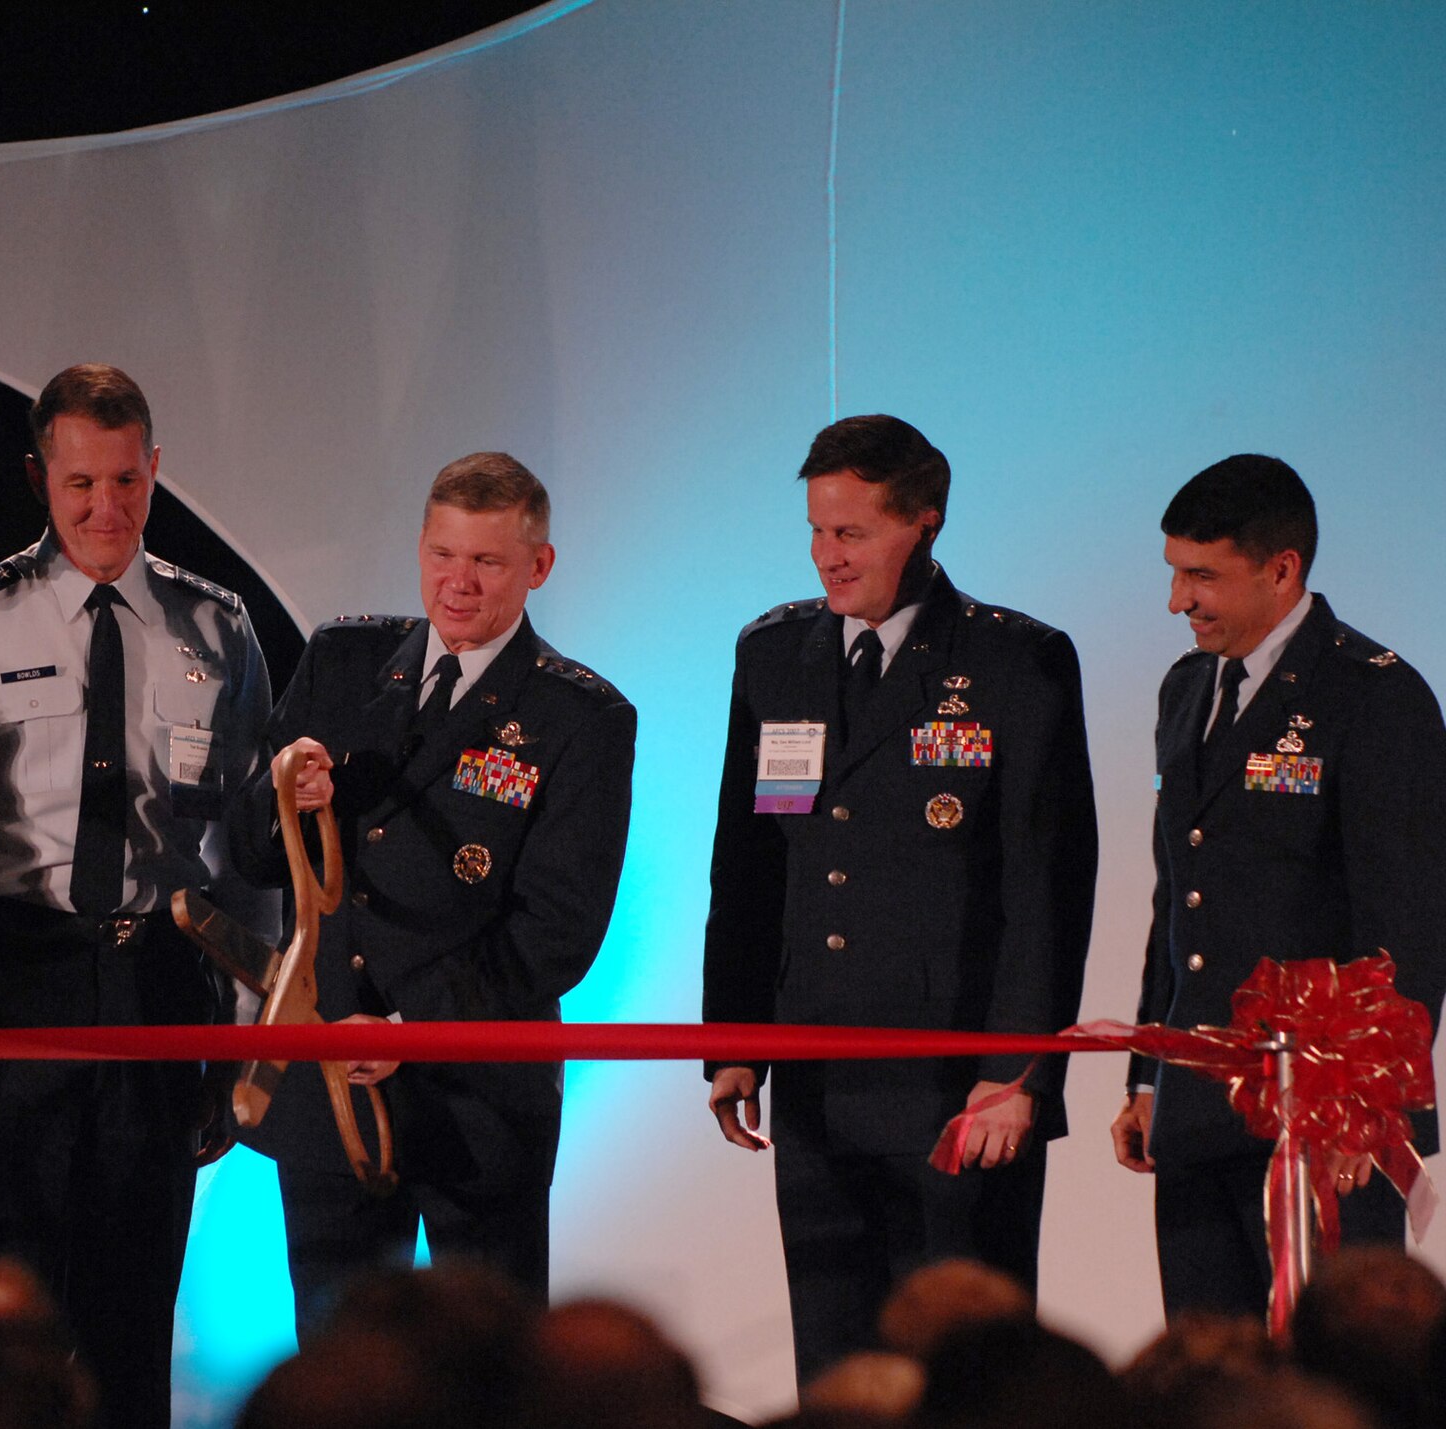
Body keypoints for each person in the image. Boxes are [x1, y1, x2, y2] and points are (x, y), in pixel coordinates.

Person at [0, 363, 273, 1429]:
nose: (106, 509)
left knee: (132, 1308)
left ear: (154, 471)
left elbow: (244, 847)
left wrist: (247, 1030)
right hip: (13, 979)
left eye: (125, 482)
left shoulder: (214, 626)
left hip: (158, 980)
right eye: (79, 485)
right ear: (36, 479)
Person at [702, 414, 1098, 1385]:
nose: (823, 556)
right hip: (811, 1068)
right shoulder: (772, 652)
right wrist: (731, 1041)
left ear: (921, 522)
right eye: (813, 530)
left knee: (966, 1366)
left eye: (849, 533)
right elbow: (746, 868)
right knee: (834, 1356)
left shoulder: (1014, 660)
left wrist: (1014, 1068)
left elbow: (1045, 880)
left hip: (953, 1081)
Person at [229, 452, 635, 1332]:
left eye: (486, 562)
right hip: (329, 1080)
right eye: (442, 554)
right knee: (340, 1371)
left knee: (490, 1378)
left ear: (540, 566)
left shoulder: (583, 717)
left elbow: (557, 934)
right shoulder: (343, 659)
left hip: (476, 1102)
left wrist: (414, 1031)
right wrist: (281, 805)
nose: (457, 583)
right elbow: (250, 855)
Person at [1110, 455, 1446, 1318]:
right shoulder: (1188, 688)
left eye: (1202, 575)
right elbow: (1177, 899)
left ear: (1282, 568)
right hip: (1196, 1106)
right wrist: (1148, 1078)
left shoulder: (1376, 695)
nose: (1178, 601)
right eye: (1174, 572)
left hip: (1320, 1118)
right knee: (1206, 1374)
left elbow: (1408, 924)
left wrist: (1368, 1111)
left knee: (1330, 1380)